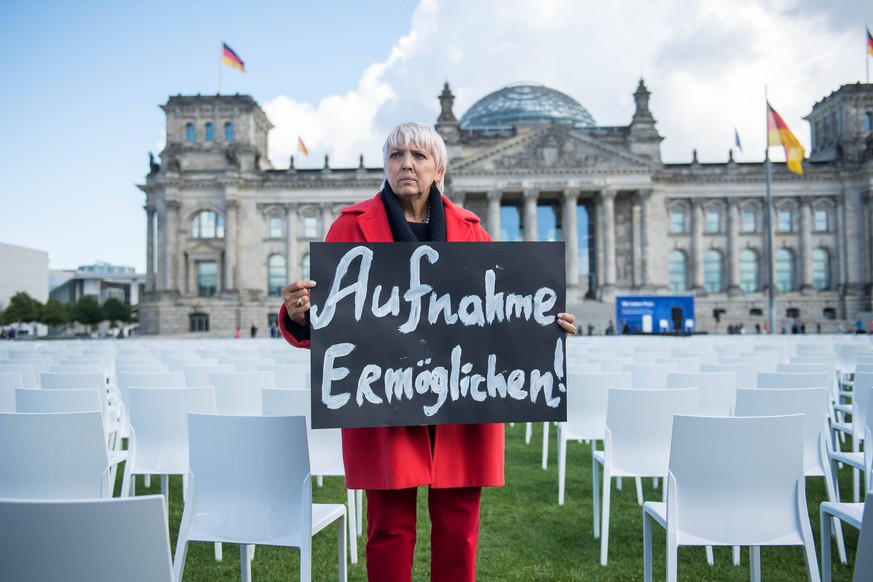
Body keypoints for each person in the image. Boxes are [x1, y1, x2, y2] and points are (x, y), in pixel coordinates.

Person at [278, 122, 577, 582]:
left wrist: (544, 325)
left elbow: (499, 309)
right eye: (396, 155)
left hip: (460, 399)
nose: (406, 165)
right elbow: (332, 320)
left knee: (459, 526)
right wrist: (300, 316)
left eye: (418, 156)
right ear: (386, 165)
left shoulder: (470, 230)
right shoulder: (350, 227)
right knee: (389, 528)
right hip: (383, 396)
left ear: (439, 168)